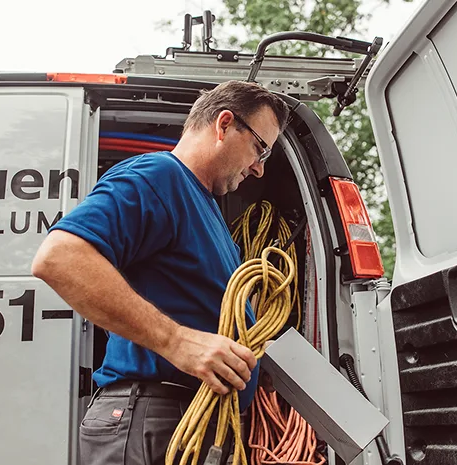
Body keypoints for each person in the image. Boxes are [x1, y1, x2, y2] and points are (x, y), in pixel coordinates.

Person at [31, 80, 290, 465]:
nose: (258, 168)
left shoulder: (209, 210)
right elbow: (59, 257)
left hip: (193, 424)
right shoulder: (158, 176)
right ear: (223, 125)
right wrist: (178, 342)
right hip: (153, 420)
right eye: (260, 148)